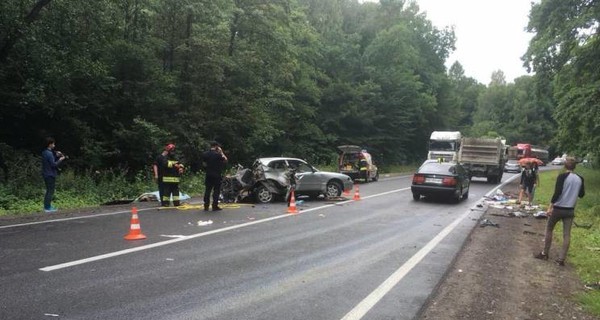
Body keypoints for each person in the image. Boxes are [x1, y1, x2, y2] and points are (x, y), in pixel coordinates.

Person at [534, 158, 585, 266]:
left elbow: (557, 192)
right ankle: (561, 259)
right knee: (567, 235)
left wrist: (550, 207)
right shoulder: (580, 178)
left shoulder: (562, 177)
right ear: (574, 166)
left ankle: (545, 253)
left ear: (565, 166)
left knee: (549, 229)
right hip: (570, 210)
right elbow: (581, 194)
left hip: (558, 208)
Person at [42, 137, 66, 213]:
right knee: (50, 191)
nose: (54, 145)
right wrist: (60, 159)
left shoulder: (45, 152)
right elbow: (54, 165)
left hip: (46, 173)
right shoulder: (49, 153)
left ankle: (47, 206)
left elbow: (50, 161)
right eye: (53, 144)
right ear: (50, 144)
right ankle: (47, 208)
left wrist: (56, 156)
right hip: (50, 174)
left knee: (49, 190)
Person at [201, 141, 228, 211]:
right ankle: (214, 206)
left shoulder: (205, 154)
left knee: (207, 190)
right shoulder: (218, 155)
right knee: (216, 191)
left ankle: (206, 206)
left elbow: (204, 164)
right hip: (217, 175)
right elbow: (225, 160)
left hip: (208, 174)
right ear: (216, 147)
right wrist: (221, 152)